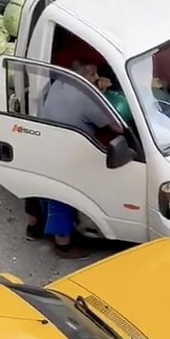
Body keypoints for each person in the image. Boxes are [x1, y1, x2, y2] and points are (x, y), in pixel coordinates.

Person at [38, 60, 122, 258]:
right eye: (93, 75)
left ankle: (33, 226)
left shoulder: (60, 82)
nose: (96, 78)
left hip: (46, 144)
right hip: (67, 155)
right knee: (63, 198)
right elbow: (117, 126)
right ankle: (63, 245)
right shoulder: (86, 97)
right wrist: (103, 93)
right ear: (84, 75)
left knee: (46, 193)